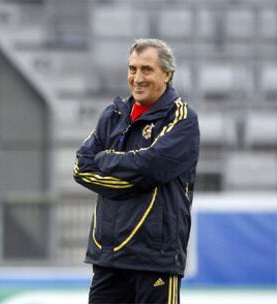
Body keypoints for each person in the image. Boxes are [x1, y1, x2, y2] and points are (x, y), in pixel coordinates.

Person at [73, 38, 200, 304]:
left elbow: (151, 165)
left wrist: (106, 158)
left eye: (146, 69)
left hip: (155, 258)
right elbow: (81, 167)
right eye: (132, 69)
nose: (137, 78)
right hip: (109, 255)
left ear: (167, 74)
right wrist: (136, 182)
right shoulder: (113, 114)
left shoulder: (182, 117)